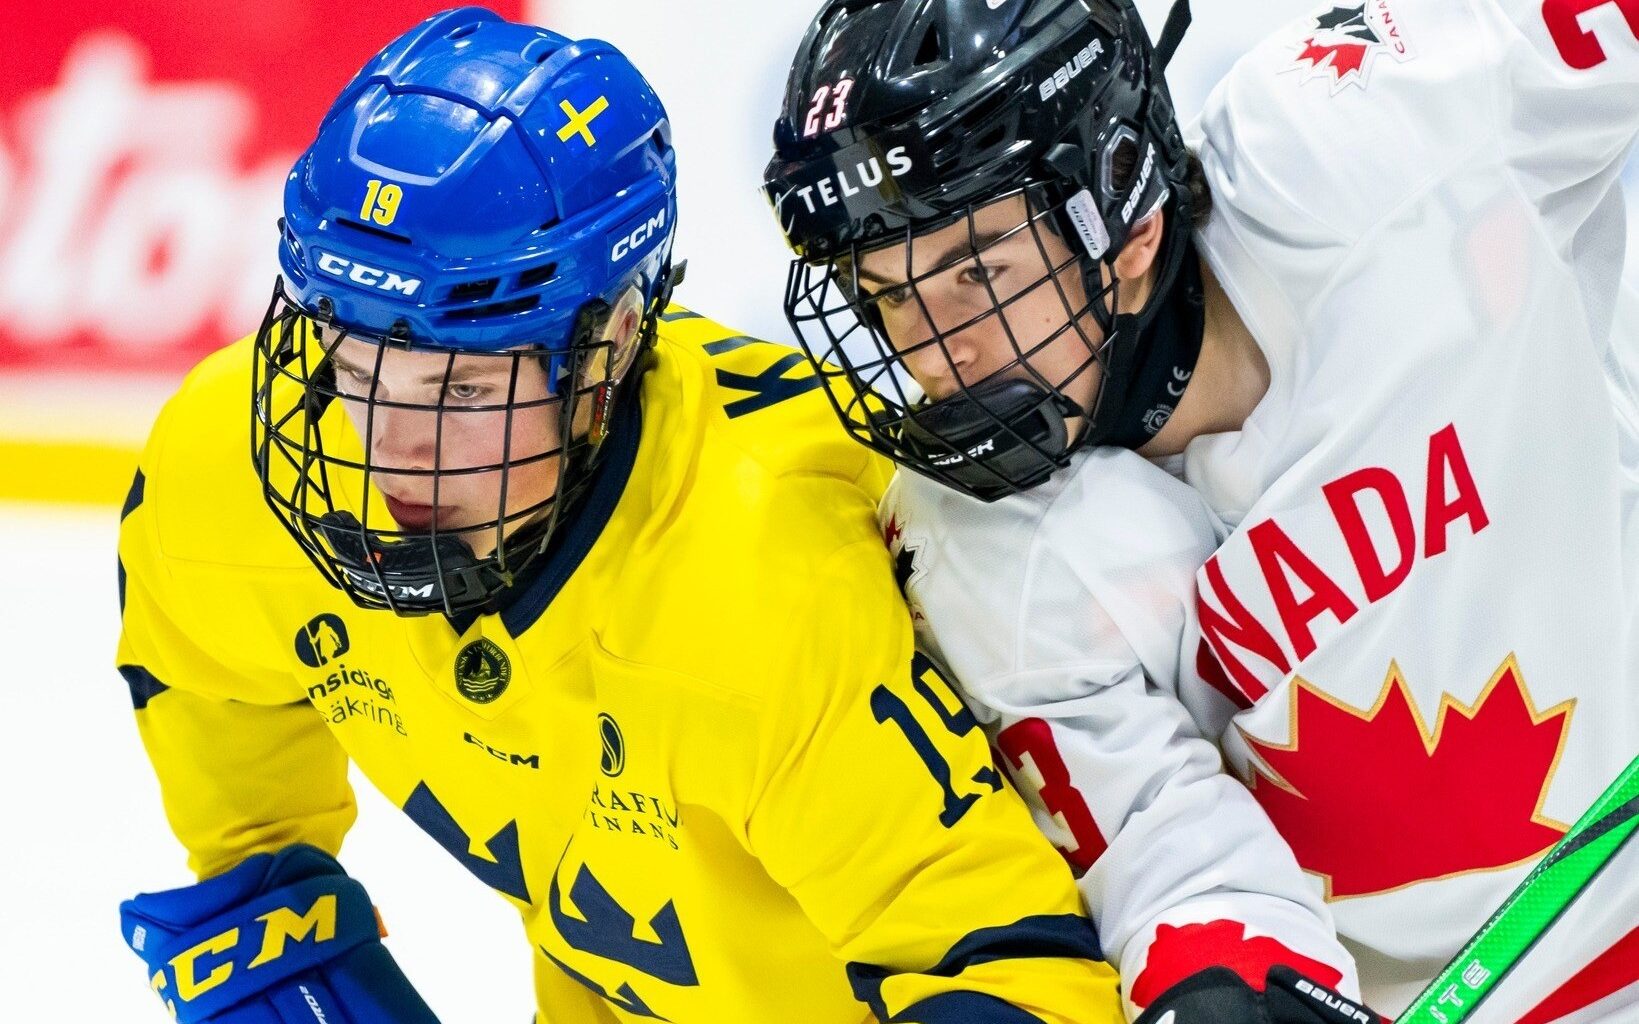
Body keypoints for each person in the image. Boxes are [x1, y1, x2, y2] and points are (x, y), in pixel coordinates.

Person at [113, 8, 1128, 1023]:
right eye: (356, 368)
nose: (392, 448)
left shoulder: (767, 581)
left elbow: (1010, 971)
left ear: (606, 353)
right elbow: (236, 796)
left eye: (462, 391)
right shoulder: (225, 477)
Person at [764, 0, 1639, 1019]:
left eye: (975, 273)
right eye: (888, 296)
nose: (935, 353)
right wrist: (1232, 992)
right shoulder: (982, 545)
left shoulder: (1351, 134)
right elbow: (1168, 852)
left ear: (1126, 214)